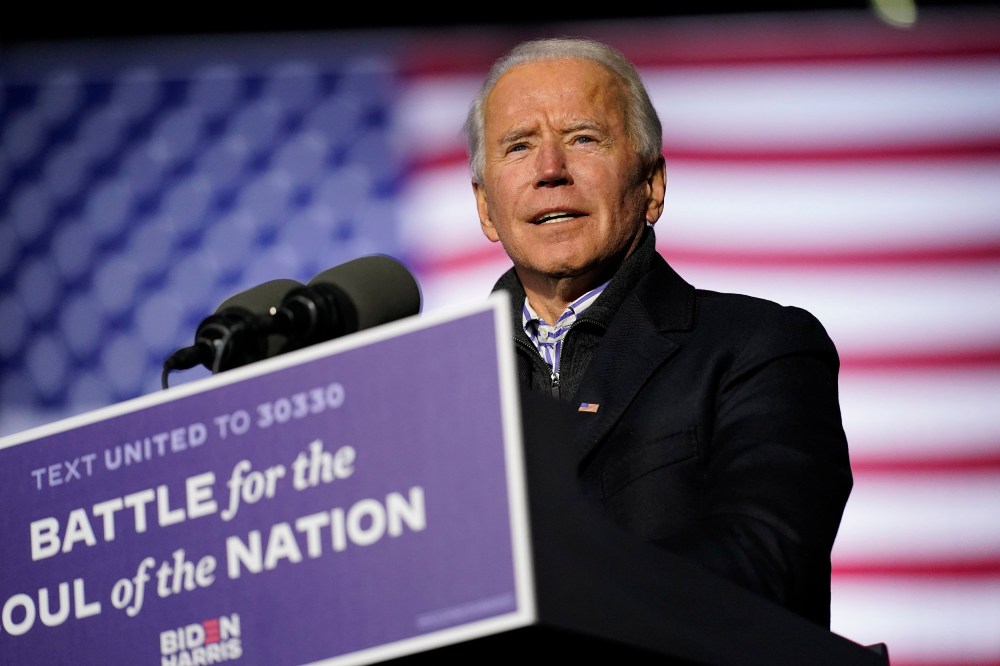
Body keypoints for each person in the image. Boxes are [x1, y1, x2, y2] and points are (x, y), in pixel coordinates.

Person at [462, 36, 853, 627]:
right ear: (487, 208)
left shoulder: (760, 346)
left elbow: (768, 561)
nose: (550, 170)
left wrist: (532, 601)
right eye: (518, 147)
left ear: (653, 184)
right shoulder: (440, 394)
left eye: (583, 139)